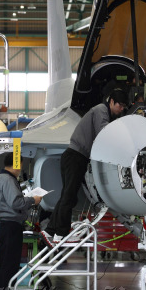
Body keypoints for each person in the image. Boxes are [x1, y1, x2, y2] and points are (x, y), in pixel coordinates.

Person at [42, 88, 129, 244]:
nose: (121, 109)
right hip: (76, 157)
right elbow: (103, 134)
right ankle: (61, 234)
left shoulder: (103, 112)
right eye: (120, 105)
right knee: (69, 197)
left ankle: (51, 230)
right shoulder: (101, 111)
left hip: (73, 157)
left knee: (67, 196)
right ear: (111, 102)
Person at [0, 153, 42, 290]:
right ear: (16, 165)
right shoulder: (8, 180)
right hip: (11, 226)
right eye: (20, 165)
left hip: (7, 225)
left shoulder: (3, 178)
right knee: (9, 264)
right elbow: (16, 202)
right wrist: (32, 200)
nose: (20, 169)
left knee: (6, 263)